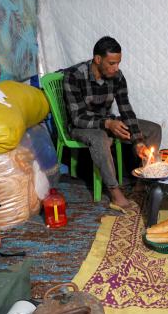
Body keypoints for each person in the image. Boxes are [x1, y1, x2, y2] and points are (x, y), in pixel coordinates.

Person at [62, 36, 162, 208]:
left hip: (107, 122)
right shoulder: (74, 76)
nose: (116, 68)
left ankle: (143, 179)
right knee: (100, 138)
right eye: (112, 63)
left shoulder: (117, 76)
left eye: (118, 63)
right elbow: (78, 117)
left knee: (153, 129)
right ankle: (115, 192)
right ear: (98, 59)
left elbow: (126, 109)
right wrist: (107, 124)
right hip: (82, 125)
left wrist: (137, 141)